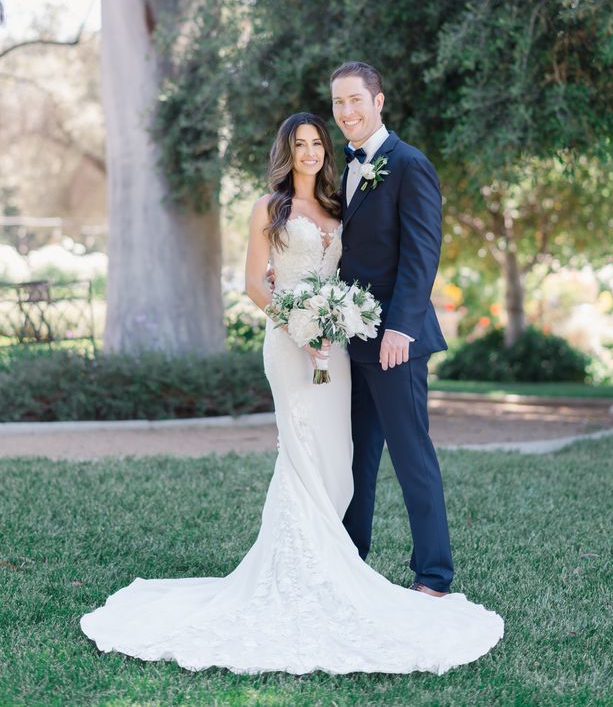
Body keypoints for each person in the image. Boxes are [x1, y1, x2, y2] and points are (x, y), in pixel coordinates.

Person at [80, 112, 503, 674]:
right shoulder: (268, 208)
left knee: (341, 460)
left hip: (341, 348)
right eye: (299, 144)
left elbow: (396, 256)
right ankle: (303, 566)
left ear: (328, 148)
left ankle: (342, 563)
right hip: (291, 344)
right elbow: (256, 283)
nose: (309, 151)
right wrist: (301, 330)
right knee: (302, 452)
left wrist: (337, 326)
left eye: (315, 143)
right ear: (286, 151)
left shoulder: (338, 206)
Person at [332, 60, 453, 597]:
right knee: (355, 456)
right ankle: (351, 559)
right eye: (338, 103)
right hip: (352, 340)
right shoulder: (347, 167)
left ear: (378, 102)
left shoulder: (408, 164)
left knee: (411, 456)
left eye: (355, 100)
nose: (346, 112)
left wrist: (400, 331)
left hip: (396, 343)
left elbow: (422, 253)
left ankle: (433, 575)